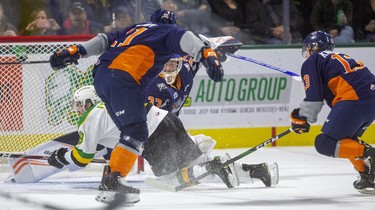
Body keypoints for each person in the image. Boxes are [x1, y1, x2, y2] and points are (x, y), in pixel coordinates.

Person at [49, 9, 224, 204]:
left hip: (101, 76)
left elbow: (103, 40)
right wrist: (208, 55)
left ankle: (113, 179)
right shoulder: (169, 32)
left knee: (129, 131)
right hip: (123, 78)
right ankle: (112, 183)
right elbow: (187, 39)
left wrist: (74, 51)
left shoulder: (134, 29)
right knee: (137, 131)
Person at [6, 86, 279, 202]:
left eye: (79, 104)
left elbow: (82, 158)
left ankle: (217, 165)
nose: (77, 109)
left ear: (88, 103)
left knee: (170, 178)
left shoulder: (90, 118)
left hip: (154, 136)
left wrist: (59, 158)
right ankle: (257, 170)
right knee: (197, 163)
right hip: (169, 120)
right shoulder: (110, 103)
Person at [290, 30, 375, 194]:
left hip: (354, 98)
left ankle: (371, 154)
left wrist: (301, 118)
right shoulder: (335, 59)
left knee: (325, 143)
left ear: (311, 48)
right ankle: (366, 173)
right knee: (345, 140)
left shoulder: (312, 61)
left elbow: (314, 99)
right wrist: (302, 117)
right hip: (370, 99)